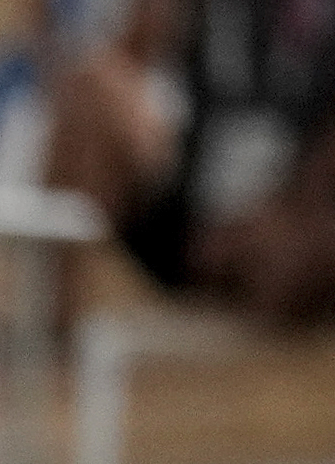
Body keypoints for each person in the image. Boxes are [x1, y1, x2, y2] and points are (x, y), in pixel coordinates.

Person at [46, 0, 335, 323]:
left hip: (289, 215)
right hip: (182, 205)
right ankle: (60, 328)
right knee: (93, 91)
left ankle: (271, 341)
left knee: (308, 241)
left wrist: (286, 212)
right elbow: (124, 62)